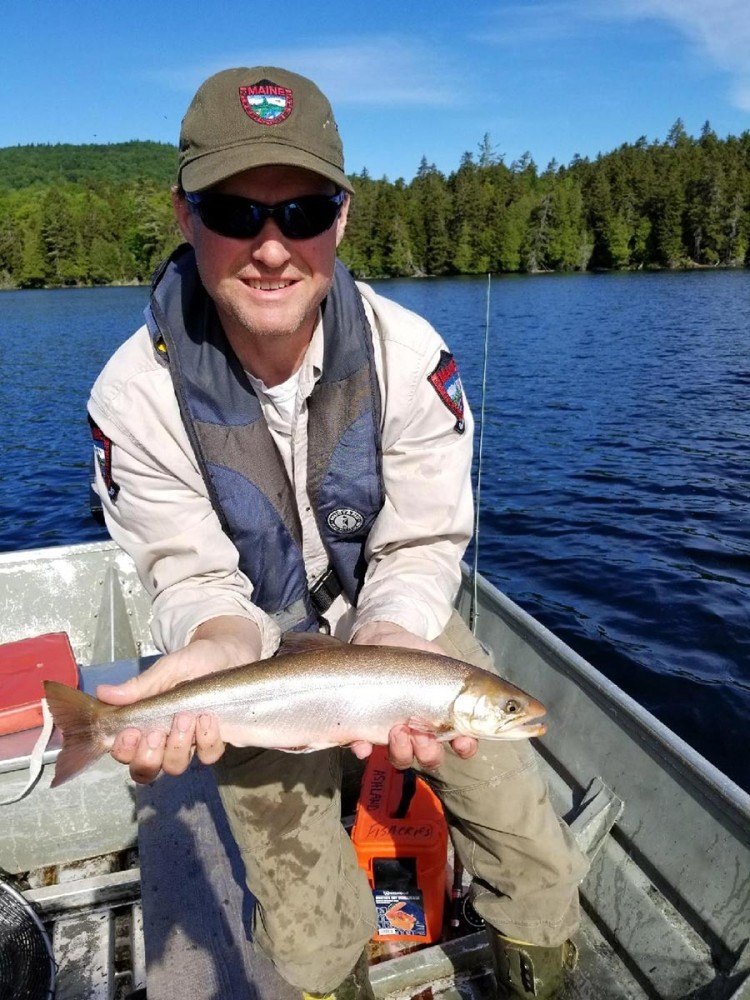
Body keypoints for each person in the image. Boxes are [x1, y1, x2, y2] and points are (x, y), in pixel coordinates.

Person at [88, 66, 588, 1000]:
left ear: (342, 218)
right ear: (186, 215)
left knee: (523, 826)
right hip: (244, 650)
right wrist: (217, 643)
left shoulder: (411, 356)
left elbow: (424, 542)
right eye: (237, 213)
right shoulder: (133, 395)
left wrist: (393, 629)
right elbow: (191, 577)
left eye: (303, 211)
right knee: (305, 906)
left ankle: (543, 963)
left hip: (392, 626)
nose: (272, 248)